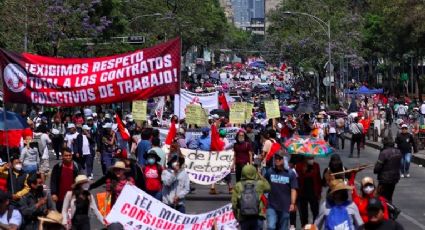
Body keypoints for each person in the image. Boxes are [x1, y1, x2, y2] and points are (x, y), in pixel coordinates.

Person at [264, 151, 298, 230]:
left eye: (279, 158)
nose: (277, 160)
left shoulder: (290, 173)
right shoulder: (270, 171)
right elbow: (264, 184)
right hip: (271, 205)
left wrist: (292, 203)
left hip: (285, 206)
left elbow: (293, 189)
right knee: (271, 227)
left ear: (284, 160)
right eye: (276, 158)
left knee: (283, 228)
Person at [232, 164, 271, 230]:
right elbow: (268, 187)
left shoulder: (238, 185)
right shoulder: (259, 184)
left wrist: (237, 216)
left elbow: (234, 204)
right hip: (258, 215)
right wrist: (259, 175)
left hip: (243, 216)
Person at [295, 156, 321, 228]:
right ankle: (304, 227)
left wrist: (319, 193)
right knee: (304, 215)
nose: (311, 159)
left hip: (313, 193)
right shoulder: (299, 166)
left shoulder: (316, 166)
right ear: (305, 158)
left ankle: (314, 227)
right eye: (309, 158)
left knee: (315, 213)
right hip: (302, 193)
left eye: (312, 157)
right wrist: (302, 172)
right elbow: (297, 180)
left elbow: (318, 179)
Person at [374, 137, 402, 203]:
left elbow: (377, 167)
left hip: (384, 179)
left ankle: (386, 210)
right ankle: (390, 210)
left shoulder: (384, 153)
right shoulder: (398, 152)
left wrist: (375, 170)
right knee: (389, 196)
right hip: (395, 178)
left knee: (378, 196)